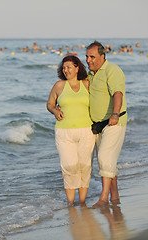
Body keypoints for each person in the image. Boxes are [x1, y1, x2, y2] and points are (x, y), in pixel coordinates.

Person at [47, 56, 95, 206]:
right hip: (64, 132)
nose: (65, 70)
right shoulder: (59, 85)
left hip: (87, 130)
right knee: (69, 166)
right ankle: (70, 203)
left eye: (68, 67)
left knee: (85, 166)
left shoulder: (87, 84)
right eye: (63, 68)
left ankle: (81, 202)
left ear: (77, 68)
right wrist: (55, 111)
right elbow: (49, 104)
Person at [85, 41, 127, 208]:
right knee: (106, 162)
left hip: (114, 122)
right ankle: (114, 196)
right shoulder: (91, 74)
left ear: (102, 57)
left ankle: (103, 199)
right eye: (87, 56)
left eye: (92, 57)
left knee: (104, 158)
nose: (88, 60)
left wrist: (115, 114)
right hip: (97, 125)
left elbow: (118, 93)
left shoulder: (112, 70)